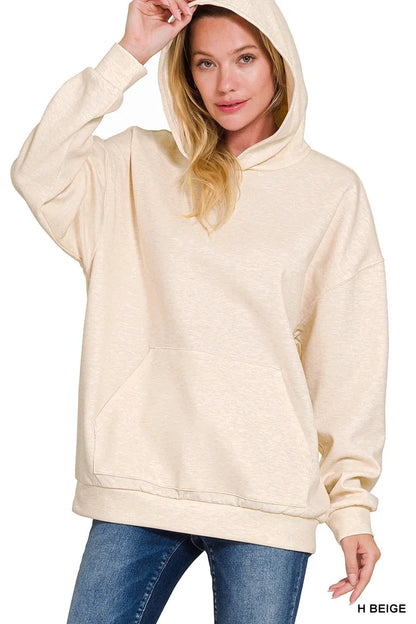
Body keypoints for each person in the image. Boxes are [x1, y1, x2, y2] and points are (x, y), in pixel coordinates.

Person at [10, 0, 388, 622]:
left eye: (245, 58)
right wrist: (129, 53)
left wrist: (351, 508)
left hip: (266, 495)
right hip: (140, 481)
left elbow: (347, 360)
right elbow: (37, 171)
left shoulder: (331, 192)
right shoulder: (136, 165)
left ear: (278, 63)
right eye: (205, 63)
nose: (225, 83)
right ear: (185, 72)